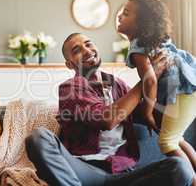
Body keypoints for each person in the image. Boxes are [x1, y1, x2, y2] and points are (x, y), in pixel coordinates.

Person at [25, 33, 194, 186]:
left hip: (124, 174)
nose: (86, 50)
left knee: (179, 167)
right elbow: (107, 120)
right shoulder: (70, 88)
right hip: (84, 171)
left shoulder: (118, 85)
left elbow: (152, 119)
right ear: (69, 64)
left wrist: (182, 92)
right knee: (38, 137)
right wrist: (149, 76)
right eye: (77, 50)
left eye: (89, 44)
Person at [117, 0, 196, 182]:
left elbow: (150, 81)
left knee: (167, 142)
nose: (120, 16)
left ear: (141, 24)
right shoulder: (155, 42)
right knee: (177, 139)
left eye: (126, 13)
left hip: (181, 93)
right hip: (189, 90)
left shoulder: (138, 46)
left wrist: (148, 111)